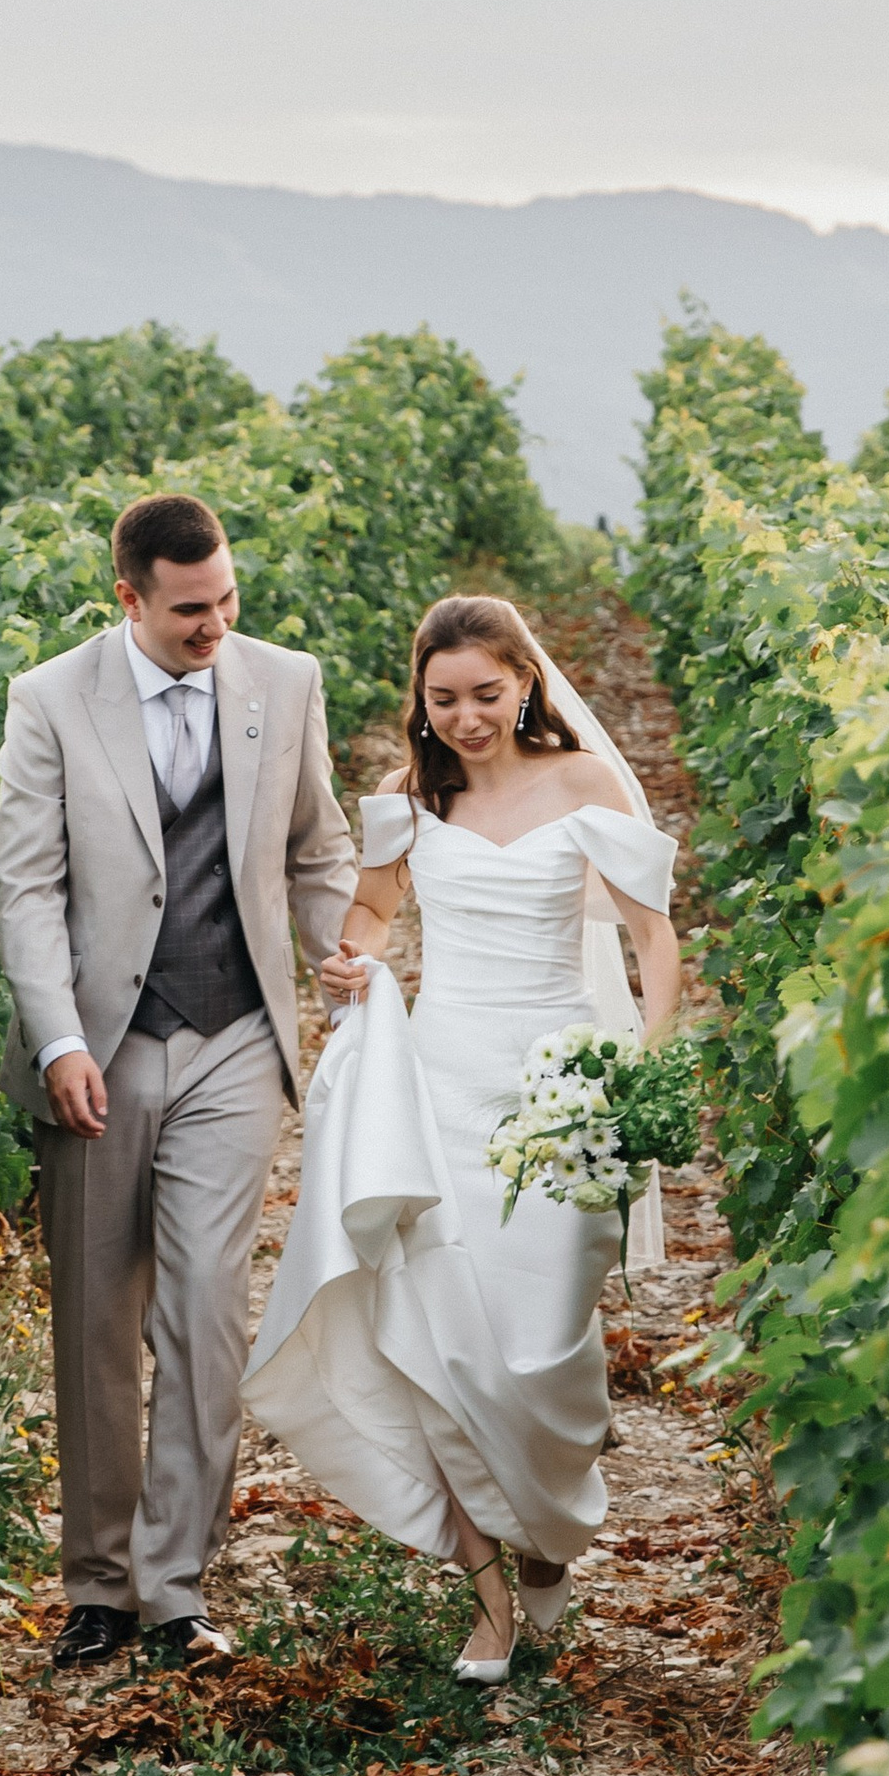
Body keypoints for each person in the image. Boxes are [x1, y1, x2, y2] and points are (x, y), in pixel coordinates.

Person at [242, 594, 681, 1680]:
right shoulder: (407, 799)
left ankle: (544, 1556)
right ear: (420, 702)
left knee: (543, 1352)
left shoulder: (585, 784)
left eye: (486, 693)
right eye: (444, 700)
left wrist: (645, 1062)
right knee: (437, 1336)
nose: (467, 717)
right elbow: (370, 920)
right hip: (440, 1089)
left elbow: (653, 941)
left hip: (558, 1092)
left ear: (525, 680)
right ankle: (488, 1598)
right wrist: (352, 961)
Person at [0, 490, 356, 1669]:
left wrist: (337, 942)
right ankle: (97, 1585)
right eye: (191, 609)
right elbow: (27, 886)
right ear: (130, 598)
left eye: (227, 598)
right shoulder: (50, 699)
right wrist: (57, 1041)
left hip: (235, 1032)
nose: (217, 625)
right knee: (96, 1321)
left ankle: (176, 1586)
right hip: (99, 1045)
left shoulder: (285, 682)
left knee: (204, 1314)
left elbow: (317, 842)